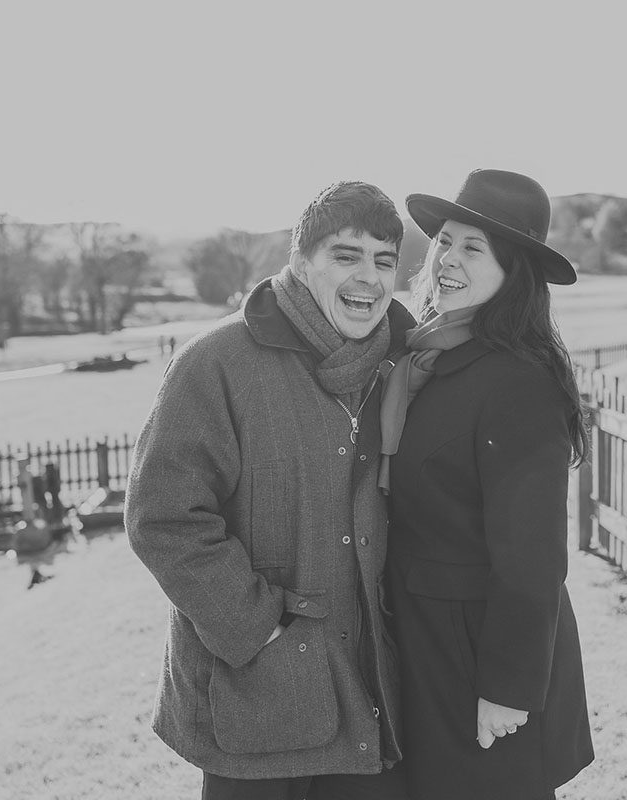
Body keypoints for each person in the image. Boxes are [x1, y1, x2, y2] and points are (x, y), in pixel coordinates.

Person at [126, 181, 415, 800]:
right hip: (255, 692)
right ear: (301, 262)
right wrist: (257, 626)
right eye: (346, 255)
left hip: (373, 688)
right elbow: (163, 518)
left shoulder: (404, 367)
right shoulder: (215, 364)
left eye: (384, 260)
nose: (368, 277)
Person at [380, 169, 594, 800]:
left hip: (481, 653)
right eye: (445, 241)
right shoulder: (428, 356)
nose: (447, 259)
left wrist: (506, 687)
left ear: (514, 272)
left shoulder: (517, 383)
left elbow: (533, 557)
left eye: (473, 248)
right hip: (426, 638)